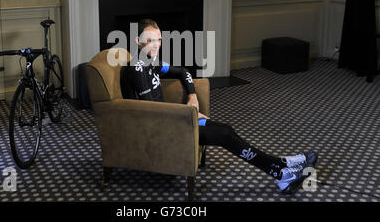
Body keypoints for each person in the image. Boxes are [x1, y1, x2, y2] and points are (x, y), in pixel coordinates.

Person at [120, 19, 318, 194]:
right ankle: (280, 173)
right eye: (150, 40)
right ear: (138, 41)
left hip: (169, 120)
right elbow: (152, 110)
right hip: (157, 128)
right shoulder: (137, 68)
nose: (155, 45)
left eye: (159, 40)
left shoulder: (151, 61)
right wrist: (189, 116)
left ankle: (282, 165)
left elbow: (183, 72)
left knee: (226, 130)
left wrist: (192, 98)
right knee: (223, 134)